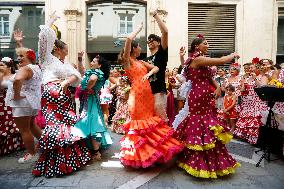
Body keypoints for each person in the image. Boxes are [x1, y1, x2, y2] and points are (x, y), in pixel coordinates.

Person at [32, 12, 90, 177]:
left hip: (63, 96)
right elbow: (43, 41)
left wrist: (66, 81)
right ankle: (56, 163)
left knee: (67, 126)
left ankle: (67, 162)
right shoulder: (47, 58)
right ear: (58, 49)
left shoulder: (64, 64)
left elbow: (78, 76)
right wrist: (50, 22)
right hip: (51, 95)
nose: (67, 50)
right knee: (55, 127)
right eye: (66, 48)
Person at [173, 34, 240, 178]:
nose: (208, 45)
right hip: (197, 96)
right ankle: (197, 160)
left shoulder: (199, 60)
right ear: (197, 46)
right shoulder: (197, 59)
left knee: (206, 122)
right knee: (200, 123)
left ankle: (208, 157)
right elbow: (221, 60)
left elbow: (209, 77)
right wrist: (233, 54)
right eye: (205, 43)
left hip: (205, 95)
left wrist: (216, 86)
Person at [117, 23, 183, 168]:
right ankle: (141, 156)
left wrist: (148, 73)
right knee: (140, 124)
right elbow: (128, 39)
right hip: (136, 95)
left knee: (150, 123)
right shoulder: (127, 61)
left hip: (147, 93)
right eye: (139, 46)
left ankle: (154, 153)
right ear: (134, 49)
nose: (142, 47)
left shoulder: (141, 61)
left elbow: (157, 68)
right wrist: (138, 29)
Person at [4, 48, 42, 163]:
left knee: (24, 129)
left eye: (21, 56)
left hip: (22, 103)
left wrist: (16, 96)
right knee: (31, 125)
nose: (18, 58)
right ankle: (47, 145)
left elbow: (17, 80)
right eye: (18, 56)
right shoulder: (35, 68)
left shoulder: (25, 69)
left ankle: (30, 153)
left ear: (30, 57)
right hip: (31, 102)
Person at [72, 55, 113, 160]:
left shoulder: (96, 72)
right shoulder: (94, 72)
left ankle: (95, 152)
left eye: (94, 61)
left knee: (93, 124)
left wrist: (87, 87)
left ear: (99, 65)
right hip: (89, 100)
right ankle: (94, 150)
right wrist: (80, 60)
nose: (91, 63)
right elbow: (82, 72)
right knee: (92, 124)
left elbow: (92, 79)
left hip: (90, 101)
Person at [144, 10, 168, 121]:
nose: (150, 42)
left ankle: (165, 138)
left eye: (152, 40)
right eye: (148, 41)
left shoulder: (162, 52)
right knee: (150, 119)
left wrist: (155, 16)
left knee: (160, 118)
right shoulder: (145, 60)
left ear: (159, 42)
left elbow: (165, 32)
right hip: (148, 91)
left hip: (159, 90)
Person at [0, 57, 24, 156]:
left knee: (11, 122)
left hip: (12, 102)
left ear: (9, 67)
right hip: (1, 102)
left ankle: (14, 145)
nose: (0, 66)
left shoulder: (15, 75)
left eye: (2, 65)